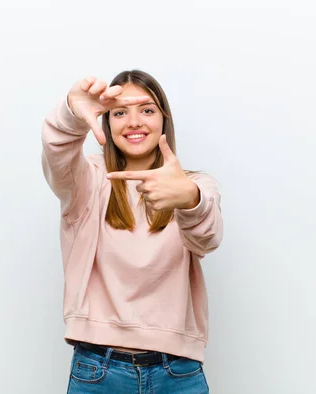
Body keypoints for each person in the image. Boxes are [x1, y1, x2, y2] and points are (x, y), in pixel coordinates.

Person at [41, 69, 223, 393]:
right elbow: (58, 159)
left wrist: (190, 200)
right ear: (107, 123)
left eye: (147, 110)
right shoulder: (90, 180)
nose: (134, 121)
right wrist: (71, 115)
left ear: (164, 121)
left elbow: (208, 238)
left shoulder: (193, 185)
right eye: (120, 112)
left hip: (178, 371)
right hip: (98, 368)